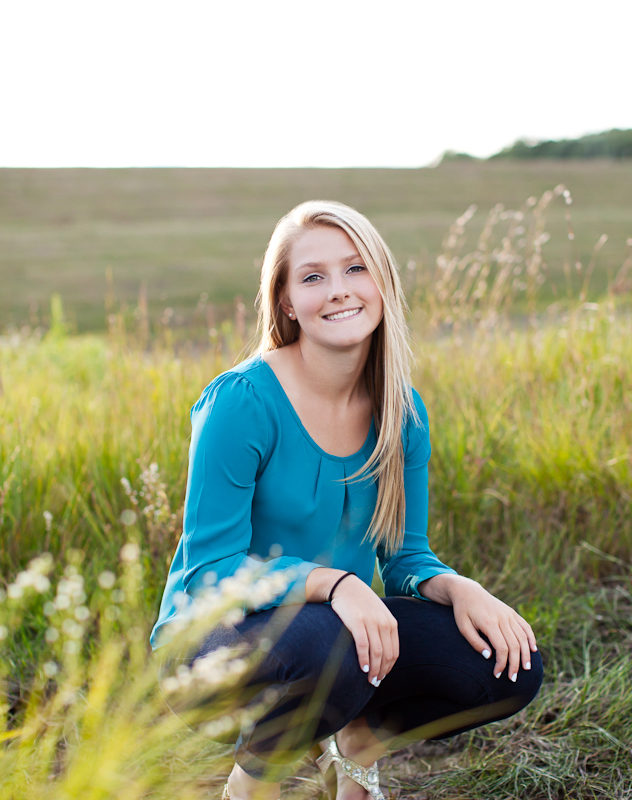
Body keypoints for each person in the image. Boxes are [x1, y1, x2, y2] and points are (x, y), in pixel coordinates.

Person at [150, 200, 543, 800]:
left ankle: (358, 744)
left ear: (382, 281)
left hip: (333, 639)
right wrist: (335, 583)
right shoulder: (240, 403)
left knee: (505, 662)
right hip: (210, 649)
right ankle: (249, 784)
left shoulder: (402, 412)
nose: (338, 291)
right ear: (286, 301)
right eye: (313, 277)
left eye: (356, 269)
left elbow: (408, 559)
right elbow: (210, 573)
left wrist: (463, 588)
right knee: (327, 639)